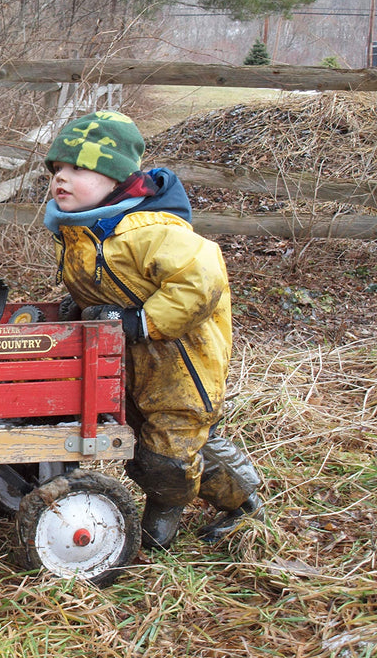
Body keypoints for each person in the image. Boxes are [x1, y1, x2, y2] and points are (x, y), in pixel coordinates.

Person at [42, 110, 263, 551]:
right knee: (149, 445)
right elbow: (105, 281)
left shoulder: (150, 230)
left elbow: (202, 279)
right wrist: (84, 306)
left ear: (115, 178)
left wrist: (141, 320)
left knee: (167, 457)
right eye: (57, 169)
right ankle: (242, 495)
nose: (61, 179)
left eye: (79, 168)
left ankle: (170, 519)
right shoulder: (82, 230)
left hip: (181, 358)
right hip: (133, 358)